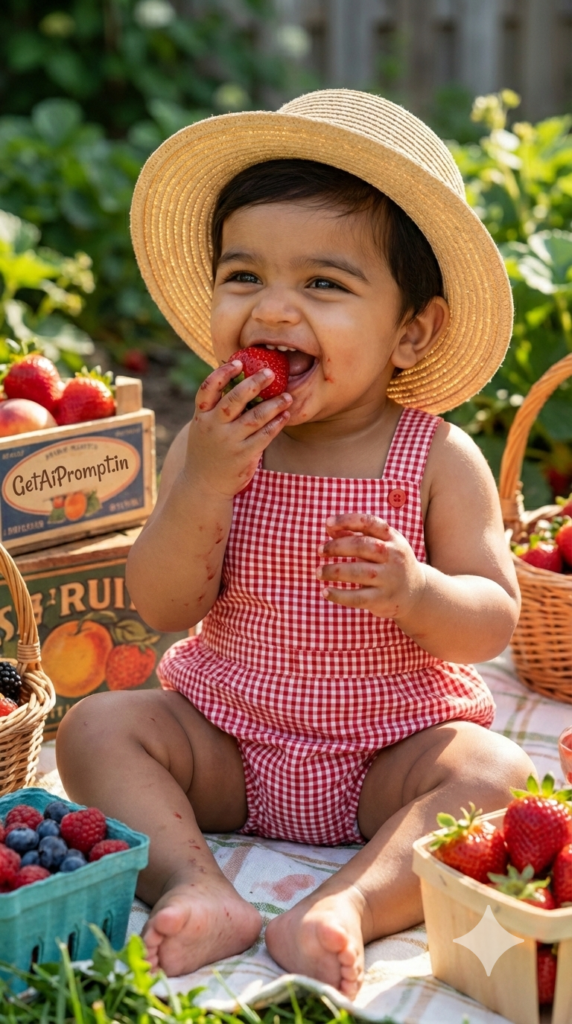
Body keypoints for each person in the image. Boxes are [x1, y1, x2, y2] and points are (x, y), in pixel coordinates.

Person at [57, 89, 533, 998]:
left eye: (322, 283)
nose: (273, 309)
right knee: (98, 727)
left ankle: (345, 906)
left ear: (411, 330)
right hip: (227, 742)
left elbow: (491, 623)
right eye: (244, 277)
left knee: (498, 774)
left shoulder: (433, 455)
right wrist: (203, 480)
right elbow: (161, 606)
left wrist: (418, 592)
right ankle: (203, 886)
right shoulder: (217, 437)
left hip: (386, 752)